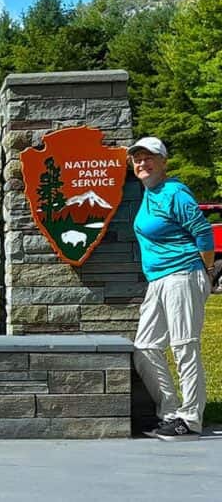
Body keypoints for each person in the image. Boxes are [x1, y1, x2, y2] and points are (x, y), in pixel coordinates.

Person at [129, 137, 216, 441]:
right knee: (145, 348)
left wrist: (206, 272)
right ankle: (171, 413)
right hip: (158, 280)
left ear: (163, 162)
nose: (142, 163)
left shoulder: (174, 192)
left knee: (184, 346)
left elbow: (204, 233)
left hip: (183, 274)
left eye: (149, 157)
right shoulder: (149, 194)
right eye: (137, 159)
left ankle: (190, 420)